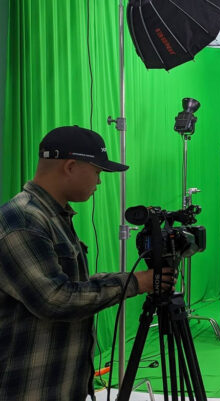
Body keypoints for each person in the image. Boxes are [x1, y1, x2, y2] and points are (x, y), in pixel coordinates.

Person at [0, 126, 175, 401]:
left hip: (63, 384)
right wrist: (135, 283)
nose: (99, 181)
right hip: (31, 389)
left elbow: (72, 285)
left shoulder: (53, 217)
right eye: (97, 172)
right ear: (70, 166)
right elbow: (55, 299)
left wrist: (134, 279)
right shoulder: (23, 220)